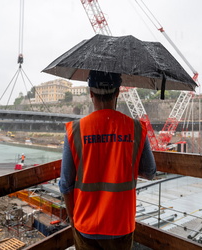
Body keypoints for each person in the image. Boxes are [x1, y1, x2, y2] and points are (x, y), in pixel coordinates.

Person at [59, 70, 156, 249]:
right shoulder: (136, 128)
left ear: (91, 93)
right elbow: (150, 172)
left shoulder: (75, 130)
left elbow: (66, 184)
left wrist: (73, 218)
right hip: (121, 224)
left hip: (85, 222)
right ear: (117, 92)